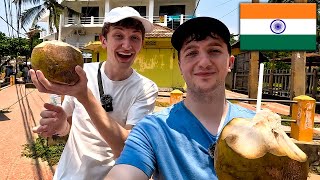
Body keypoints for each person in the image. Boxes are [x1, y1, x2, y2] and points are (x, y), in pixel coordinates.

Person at [105, 17, 256, 180]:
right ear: (180, 66)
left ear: (230, 62)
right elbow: (126, 172)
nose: (204, 62)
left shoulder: (258, 127)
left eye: (214, 51)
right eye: (192, 53)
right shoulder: (153, 130)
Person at [29, 6, 158, 180]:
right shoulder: (81, 73)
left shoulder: (146, 89)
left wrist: (85, 96)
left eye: (134, 38)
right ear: (103, 41)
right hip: (68, 175)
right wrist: (60, 126)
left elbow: (125, 149)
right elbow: (68, 124)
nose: (127, 45)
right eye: (118, 36)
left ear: (141, 44)